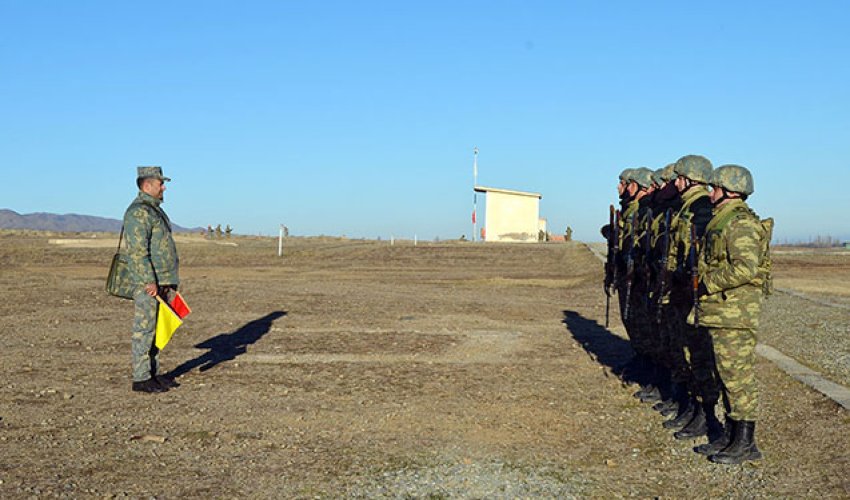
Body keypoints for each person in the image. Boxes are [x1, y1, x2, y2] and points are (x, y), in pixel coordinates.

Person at [691, 165, 771, 464]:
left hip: (736, 313)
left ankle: (747, 442)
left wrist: (707, 282)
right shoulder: (722, 220)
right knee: (725, 375)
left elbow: (746, 267)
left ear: (730, 191)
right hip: (723, 311)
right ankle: (731, 435)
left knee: (738, 378)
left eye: (715, 188)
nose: (710, 193)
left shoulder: (739, 223)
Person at [124, 166, 180, 393]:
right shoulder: (139, 212)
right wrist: (148, 281)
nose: (164, 187)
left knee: (158, 329)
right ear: (147, 185)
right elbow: (137, 251)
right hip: (149, 283)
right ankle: (141, 377)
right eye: (160, 183)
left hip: (162, 280)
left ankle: (152, 374)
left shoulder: (153, 210)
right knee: (144, 328)